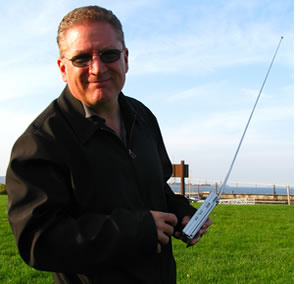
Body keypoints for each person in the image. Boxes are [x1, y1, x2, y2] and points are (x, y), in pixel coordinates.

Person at [6, 5, 212, 284]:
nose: (97, 68)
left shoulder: (142, 116)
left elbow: (156, 189)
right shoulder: (40, 143)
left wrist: (181, 212)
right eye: (81, 58)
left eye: (109, 54)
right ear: (62, 69)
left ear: (125, 58)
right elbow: (38, 241)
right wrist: (135, 230)